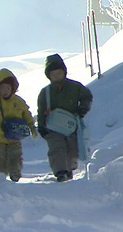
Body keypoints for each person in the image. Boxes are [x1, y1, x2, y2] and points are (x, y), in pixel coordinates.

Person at [36, 53, 93, 182]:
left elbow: (87, 96)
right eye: (53, 74)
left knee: (72, 149)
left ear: (64, 72)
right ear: (49, 76)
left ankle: (69, 169)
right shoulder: (45, 92)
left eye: (59, 73)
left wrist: (83, 108)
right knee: (57, 148)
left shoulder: (75, 87)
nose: (56, 76)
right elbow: (41, 110)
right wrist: (41, 125)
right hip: (52, 127)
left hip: (71, 125)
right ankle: (60, 171)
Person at [0, 68, 38, 182]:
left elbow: (27, 114)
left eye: (8, 88)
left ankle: (15, 174)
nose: (5, 91)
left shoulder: (19, 102)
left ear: (13, 88)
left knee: (15, 157)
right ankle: (1, 176)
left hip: (14, 138)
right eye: (2, 88)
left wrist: (32, 127)